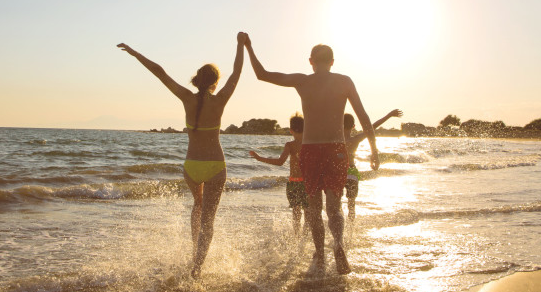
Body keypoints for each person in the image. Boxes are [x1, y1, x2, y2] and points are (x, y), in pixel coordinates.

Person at [243, 37, 378, 275]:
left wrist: (249, 47)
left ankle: (321, 257)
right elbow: (364, 117)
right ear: (332, 62)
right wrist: (374, 150)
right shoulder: (345, 81)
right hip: (337, 150)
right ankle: (338, 244)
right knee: (334, 208)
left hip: (311, 149)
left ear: (311, 61)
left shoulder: (302, 81)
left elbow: (262, 74)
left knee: (314, 209)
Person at [117, 32, 246, 278]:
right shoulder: (220, 100)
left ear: (197, 80)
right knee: (208, 219)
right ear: (214, 82)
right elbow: (237, 73)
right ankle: (197, 266)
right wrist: (240, 45)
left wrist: (135, 54)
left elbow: (160, 72)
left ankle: (193, 250)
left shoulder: (186, 97)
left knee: (197, 206)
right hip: (216, 166)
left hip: (191, 166)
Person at [249, 113, 308, 236]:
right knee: (308, 212)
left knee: (296, 212)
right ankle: (306, 236)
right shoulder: (309, 143)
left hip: (294, 182)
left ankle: (297, 236)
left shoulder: (290, 145)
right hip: (308, 183)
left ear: (291, 130)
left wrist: (260, 158)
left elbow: (280, 162)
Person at [343, 109, 403, 220]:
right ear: (354, 126)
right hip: (352, 173)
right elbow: (372, 127)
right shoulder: (355, 140)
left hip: (338, 172)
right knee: (351, 204)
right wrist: (389, 115)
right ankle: (350, 230)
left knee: (335, 204)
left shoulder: (336, 140)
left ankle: (339, 226)